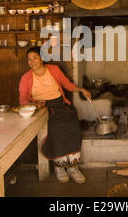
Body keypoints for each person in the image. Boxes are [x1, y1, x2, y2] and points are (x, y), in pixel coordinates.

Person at [19, 47, 91, 184]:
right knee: (56, 128)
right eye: (29, 59)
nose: (32, 61)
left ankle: (73, 167)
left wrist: (81, 89)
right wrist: (34, 105)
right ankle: (60, 167)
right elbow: (22, 100)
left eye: (34, 58)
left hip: (60, 105)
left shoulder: (53, 69)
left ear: (42, 58)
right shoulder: (26, 78)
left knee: (73, 124)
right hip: (43, 109)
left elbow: (67, 85)